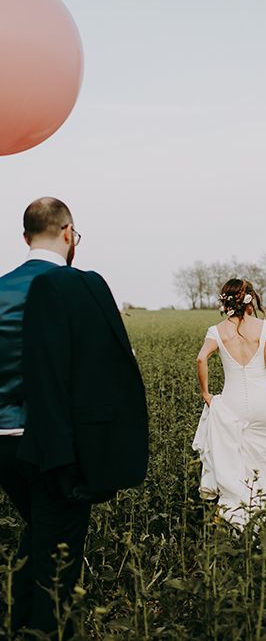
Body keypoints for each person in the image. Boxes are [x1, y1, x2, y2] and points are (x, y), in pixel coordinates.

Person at [0, 197, 149, 636]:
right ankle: (40, 629)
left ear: (25, 237)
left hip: (3, 441)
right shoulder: (78, 290)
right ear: (69, 233)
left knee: (41, 535)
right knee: (57, 557)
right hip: (51, 444)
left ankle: (17, 621)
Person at [193, 278, 266, 528]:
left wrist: (206, 394)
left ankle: (239, 525)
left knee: (236, 465)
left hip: (232, 406)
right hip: (265, 404)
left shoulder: (216, 331)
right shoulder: (264, 327)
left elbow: (201, 359)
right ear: (250, 300)